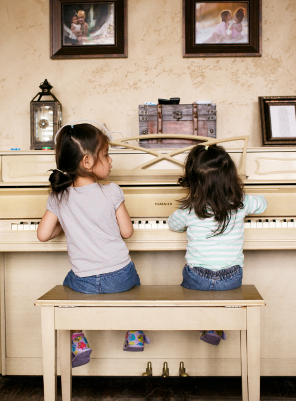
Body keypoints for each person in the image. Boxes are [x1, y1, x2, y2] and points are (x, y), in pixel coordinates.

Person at [37, 123, 148, 367]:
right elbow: (127, 232)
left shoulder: (59, 196)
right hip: (120, 277)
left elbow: (43, 235)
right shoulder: (111, 191)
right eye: (107, 155)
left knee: (68, 283)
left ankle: (78, 339)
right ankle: (134, 331)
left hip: (84, 282)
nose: (111, 161)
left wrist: (66, 224)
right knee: (135, 284)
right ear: (87, 162)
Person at [168, 144, 267, 345]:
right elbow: (263, 204)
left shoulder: (190, 209)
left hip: (198, 277)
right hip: (231, 276)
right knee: (222, 286)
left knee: (189, 279)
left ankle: (203, 321)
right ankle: (215, 324)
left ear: (194, 182)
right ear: (230, 178)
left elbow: (173, 224)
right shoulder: (241, 202)